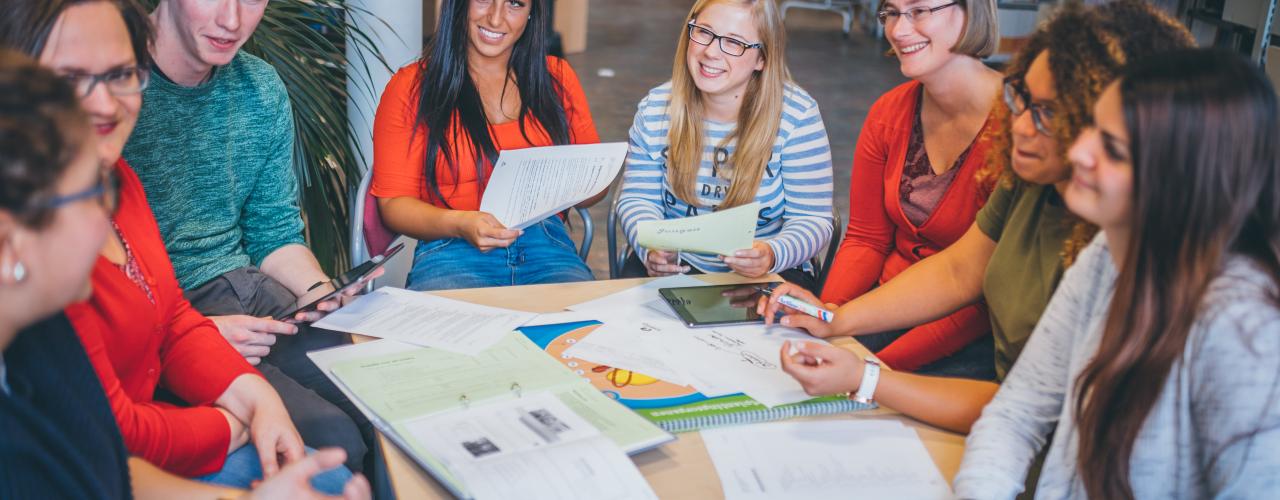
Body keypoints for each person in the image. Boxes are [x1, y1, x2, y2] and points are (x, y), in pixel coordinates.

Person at [761, 0, 1194, 433]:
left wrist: (867, 372)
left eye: (1046, 112)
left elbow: (1022, 407)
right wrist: (838, 319)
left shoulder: (1130, 261)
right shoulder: (1030, 182)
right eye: (1021, 98)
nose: (1019, 125)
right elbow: (958, 271)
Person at [0, 0, 352, 491]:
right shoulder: (45, 245)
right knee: (333, 455)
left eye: (121, 74)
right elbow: (110, 443)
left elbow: (171, 318)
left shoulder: (119, 179)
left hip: (218, 326)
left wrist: (257, 397)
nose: (104, 104)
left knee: (366, 388)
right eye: (69, 78)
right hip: (154, 419)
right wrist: (233, 424)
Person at [954, 49, 1280, 499]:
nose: (1080, 150)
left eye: (1113, 149)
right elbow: (1017, 413)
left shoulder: (1245, 329)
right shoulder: (1112, 250)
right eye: (1091, 128)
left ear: (1182, 178)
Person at [119, 0, 371, 472]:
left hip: (250, 291)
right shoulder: (108, 93)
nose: (233, 21)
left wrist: (319, 290)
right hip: (164, 310)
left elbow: (274, 230)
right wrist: (189, 334)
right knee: (335, 436)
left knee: (386, 397)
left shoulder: (259, 88)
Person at [819, 0, 1002, 377]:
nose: (899, 30)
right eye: (891, 12)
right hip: (882, 309)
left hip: (972, 336)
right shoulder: (890, 113)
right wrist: (826, 318)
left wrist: (874, 368)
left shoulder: (1019, 130)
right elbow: (866, 239)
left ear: (971, 12)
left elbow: (977, 289)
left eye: (919, 10)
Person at [372, 0, 603, 291]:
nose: (495, 19)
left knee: (584, 332)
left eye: (515, 4)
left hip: (545, 244)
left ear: (532, 12)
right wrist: (460, 223)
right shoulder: (412, 87)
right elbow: (393, 205)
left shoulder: (557, 78)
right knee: (448, 335)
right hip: (450, 249)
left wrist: (577, 182)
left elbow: (594, 186)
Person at [616, 0, 834, 290]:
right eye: (704, 32)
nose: (711, 51)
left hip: (768, 274)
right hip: (675, 268)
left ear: (762, 59)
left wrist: (771, 254)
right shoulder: (657, 108)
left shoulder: (796, 117)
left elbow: (812, 219)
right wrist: (651, 249)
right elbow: (637, 199)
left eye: (734, 42)